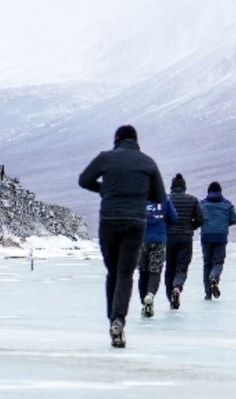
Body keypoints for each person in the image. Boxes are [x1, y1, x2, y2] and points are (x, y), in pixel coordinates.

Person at [77, 124, 167, 348]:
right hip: (136, 222)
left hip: (109, 221)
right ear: (136, 141)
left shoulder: (105, 158)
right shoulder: (148, 162)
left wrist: (106, 190)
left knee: (113, 272)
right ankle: (118, 320)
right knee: (126, 274)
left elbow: (84, 180)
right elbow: (159, 196)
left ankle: (112, 320)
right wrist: (138, 193)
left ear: (116, 139)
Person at [162, 174, 205, 310]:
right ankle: (177, 286)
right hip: (185, 237)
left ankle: (171, 298)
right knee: (182, 266)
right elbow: (200, 218)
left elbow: (160, 217)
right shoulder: (192, 200)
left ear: (172, 187)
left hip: (168, 237)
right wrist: (190, 227)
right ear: (184, 187)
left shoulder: (165, 199)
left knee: (170, 267)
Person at [138, 194, 178, 318]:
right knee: (155, 270)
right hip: (159, 240)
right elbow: (174, 218)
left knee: (143, 272)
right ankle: (150, 294)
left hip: (141, 240)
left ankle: (144, 302)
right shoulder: (165, 200)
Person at [198, 181, 236, 300]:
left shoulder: (202, 204)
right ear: (220, 191)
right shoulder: (227, 204)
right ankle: (214, 277)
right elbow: (234, 219)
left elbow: (198, 218)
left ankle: (208, 292)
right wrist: (224, 224)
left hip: (206, 236)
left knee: (207, 264)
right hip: (220, 236)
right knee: (218, 262)